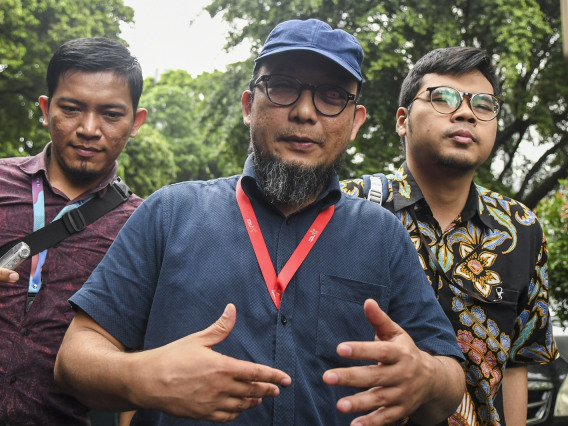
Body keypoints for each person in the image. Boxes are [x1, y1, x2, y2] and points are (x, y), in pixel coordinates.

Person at [54, 19, 466, 425]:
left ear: (355, 121)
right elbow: (75, 356)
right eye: (284, 86)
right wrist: (139, 376)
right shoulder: (169, 212)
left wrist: (426, 377)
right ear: (250, 106)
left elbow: (449, 380)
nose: (305, 112)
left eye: (332, 96)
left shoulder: (383, 237)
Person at [0, 37, 146, 425]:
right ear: (46, 110)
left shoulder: (144, 226)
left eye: (111, 114)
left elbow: (135, 355)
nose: (89, 129)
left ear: (136, 122)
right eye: (71, 108)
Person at [341, 46, 559, 425]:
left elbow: (519, 361)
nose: (466, 113)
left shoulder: (521, 227)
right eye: (443, 97)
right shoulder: (347, 207)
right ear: (402, 120)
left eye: (484, 105)